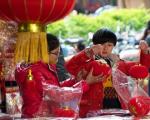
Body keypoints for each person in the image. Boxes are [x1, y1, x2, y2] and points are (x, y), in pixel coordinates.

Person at [15, 33, 104, 118]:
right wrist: (85, 83)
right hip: (38, 117)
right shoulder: (35, 72)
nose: (58, 56)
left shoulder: (42, 67)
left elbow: (54, 88)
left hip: (45, 114)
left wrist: (75, 81)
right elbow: (58, 95)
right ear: (44, 53)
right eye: (56, 53)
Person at [66, 28, 126, 118]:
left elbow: (138, 68)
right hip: (93, 109)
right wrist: (88, 53)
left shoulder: (117, 62)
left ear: (114, 46)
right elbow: (70, 66)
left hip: (117, 107)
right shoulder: (87, 63)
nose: (105, 48)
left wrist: (145, 52)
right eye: (101, 44)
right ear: (94, 45)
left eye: (109, 45)